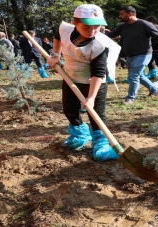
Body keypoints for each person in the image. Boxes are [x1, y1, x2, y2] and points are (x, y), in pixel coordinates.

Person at [47, 3, 119, 162]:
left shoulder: (99, 45)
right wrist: (55, 54)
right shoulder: (65, 29)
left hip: (94, 83)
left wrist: (91, 98)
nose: (92, 31)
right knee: (69, 110)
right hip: (71, 79)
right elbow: (57, 36)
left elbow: (98, 73)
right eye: (87, 27)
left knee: (96, 115)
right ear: (75, 23)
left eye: (97, 27)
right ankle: (80, 134)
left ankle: (101, 144)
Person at [106, 6, 158, 105]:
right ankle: (155, 90)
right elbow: (111, 35)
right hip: (129, 56)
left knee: (133, 76)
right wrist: (97, 31)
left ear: (130, 14)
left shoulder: (144, 24)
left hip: (143, 54)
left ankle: (130, 98)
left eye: (122, 14)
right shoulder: (123, 26)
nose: (119, 16)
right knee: (139, 76)